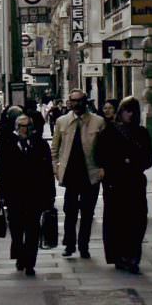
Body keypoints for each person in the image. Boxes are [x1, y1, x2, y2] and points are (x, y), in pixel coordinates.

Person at [97, 97, 152, 273]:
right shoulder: (110, 132)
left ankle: (133, 255)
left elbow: (148, 157)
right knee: (117, 220)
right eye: (127, 110)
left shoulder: (141, 132)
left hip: (135, 181)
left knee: (137, 219)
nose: (130, 114)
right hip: (115, 183)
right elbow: (100, 156)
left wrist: (135, 162)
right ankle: (120, 255)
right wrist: (118, 164)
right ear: (120, 112)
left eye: (133, 111)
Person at [0, 114, 55, 276]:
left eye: (28, 126)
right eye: (21, 126)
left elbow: (48, 172)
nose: (25, 129)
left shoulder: (41, 145)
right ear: (16, 127)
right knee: (16, 229)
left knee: (33, 230)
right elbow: (2, 172)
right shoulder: (5, 146)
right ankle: (20, 255)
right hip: (14, 195)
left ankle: (30, 263)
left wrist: (51, 195)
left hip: (35, 195)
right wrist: (0, 196)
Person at [51, 89, 106, 258]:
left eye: (79, 101)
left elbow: (105, 149)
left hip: (91, 172)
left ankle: (84, 246)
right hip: (71, 173)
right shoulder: (62, 121)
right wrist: (56, 167)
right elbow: (55, 148)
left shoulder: (98, 122)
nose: (76, 104)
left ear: (85, 102)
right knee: (70, 210)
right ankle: (69, 244)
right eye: (73, 101)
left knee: (88, 212)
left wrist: (103, 168)